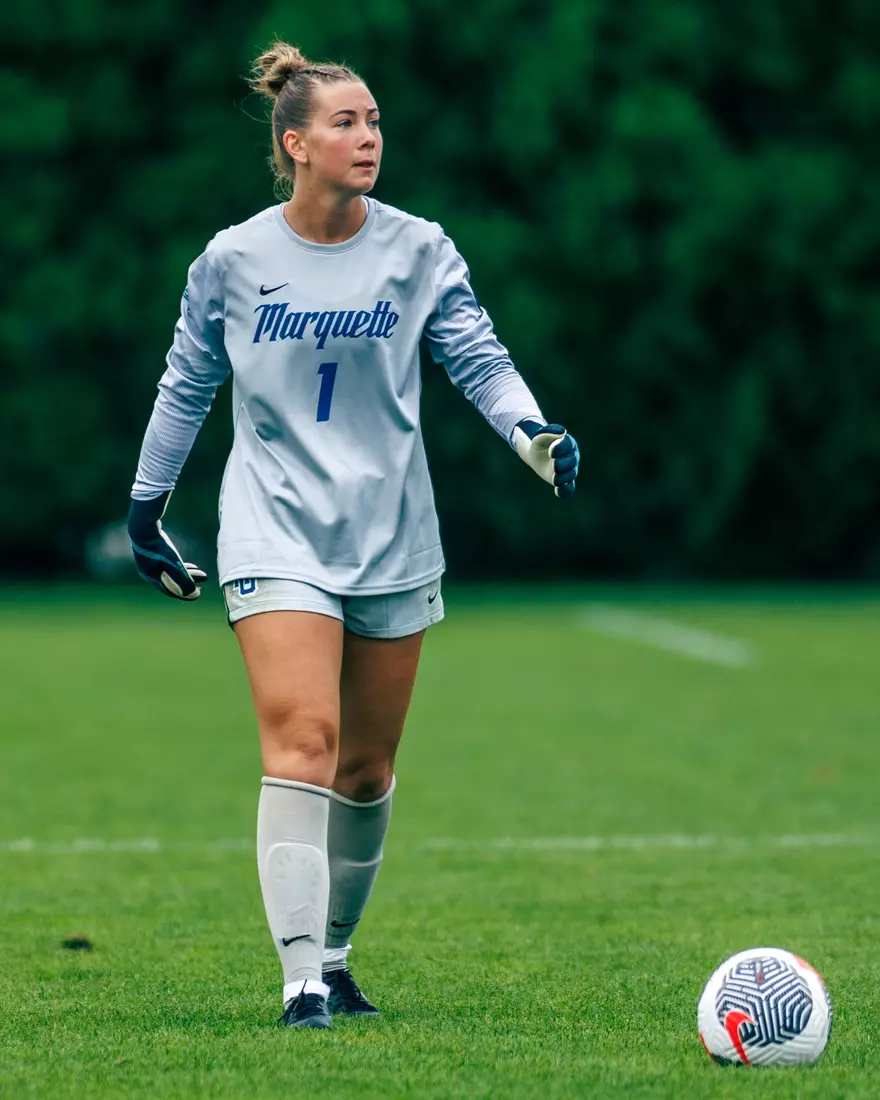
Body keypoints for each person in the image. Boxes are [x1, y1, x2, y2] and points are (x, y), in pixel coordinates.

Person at [126, 40, 580, 1030]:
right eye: (345, 121)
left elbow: (478, 356)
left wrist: (531, 430)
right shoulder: (232, 260)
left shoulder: (419, 248)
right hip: (271, 525)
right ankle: (297, 985)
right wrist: (146, 504)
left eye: (373, 120)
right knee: (304, 738)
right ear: (294, 143)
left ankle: (334, 959)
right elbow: (186, 384)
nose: (367, 135)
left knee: (366, 767)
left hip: (391, 528)